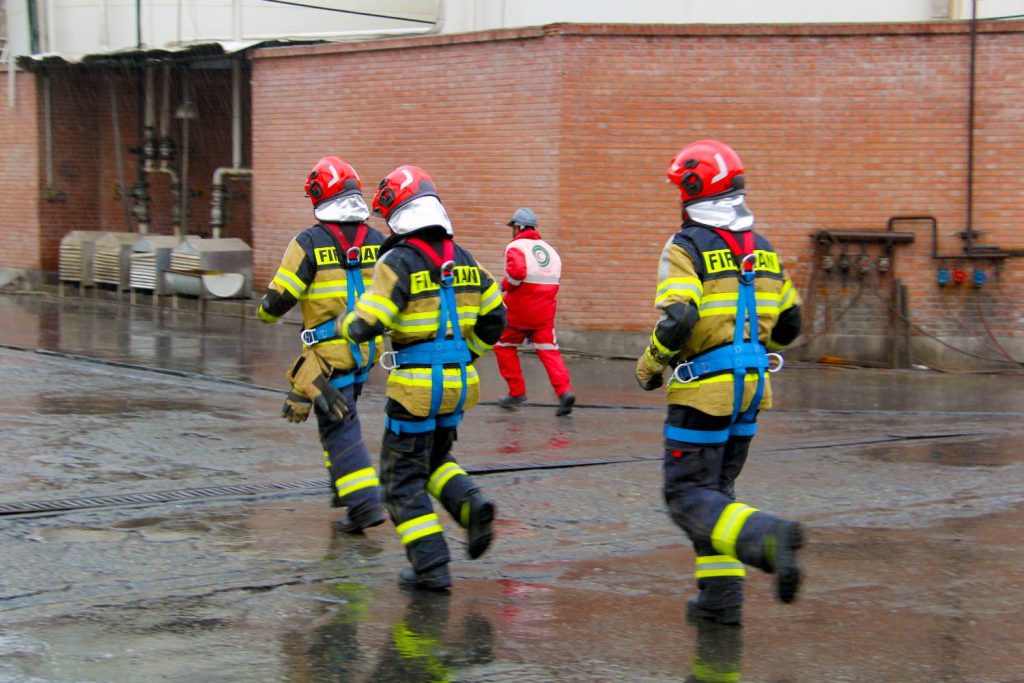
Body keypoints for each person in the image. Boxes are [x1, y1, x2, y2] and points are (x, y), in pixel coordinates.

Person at [635, 139, 805, 625]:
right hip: (752, 392)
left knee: (687, 496)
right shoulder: (765, 250)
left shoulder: (685, 246)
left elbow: (679, 319)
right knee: (717, 494)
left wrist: (649, 366)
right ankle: (720, 600)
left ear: (692, 190)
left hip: (703, 392)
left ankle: (768, 537)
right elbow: (791, 325)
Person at [339, 165, 506, 591]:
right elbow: (496, 317)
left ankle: (430, 565)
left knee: (399, 481)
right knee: (433, 460)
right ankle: (471, 507)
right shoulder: (466, 258)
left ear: (396, 213)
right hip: (458, 388)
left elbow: (371, 318)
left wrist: (349, 325)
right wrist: (465, 355)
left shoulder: (398, 260)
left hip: (416, 389)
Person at [256, 156, 386, 534]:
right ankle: (343, 490)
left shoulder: (309, 242)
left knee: (340, 429)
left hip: (330, 355)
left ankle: (363, 504)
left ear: (317, 196)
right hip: (366, 351)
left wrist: (264, 313)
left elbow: (280, 298)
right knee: (340, 418)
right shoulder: (377, 241)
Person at [494, 207, 576, 416]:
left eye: (513, 227)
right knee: (549, 351)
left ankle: (517, 392)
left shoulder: (515, 247)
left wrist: (504, 286)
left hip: (519, 312)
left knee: (503, 345)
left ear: (519, 227)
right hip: (544, 314)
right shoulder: (550, 251)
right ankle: (564, 392)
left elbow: (517, 273)